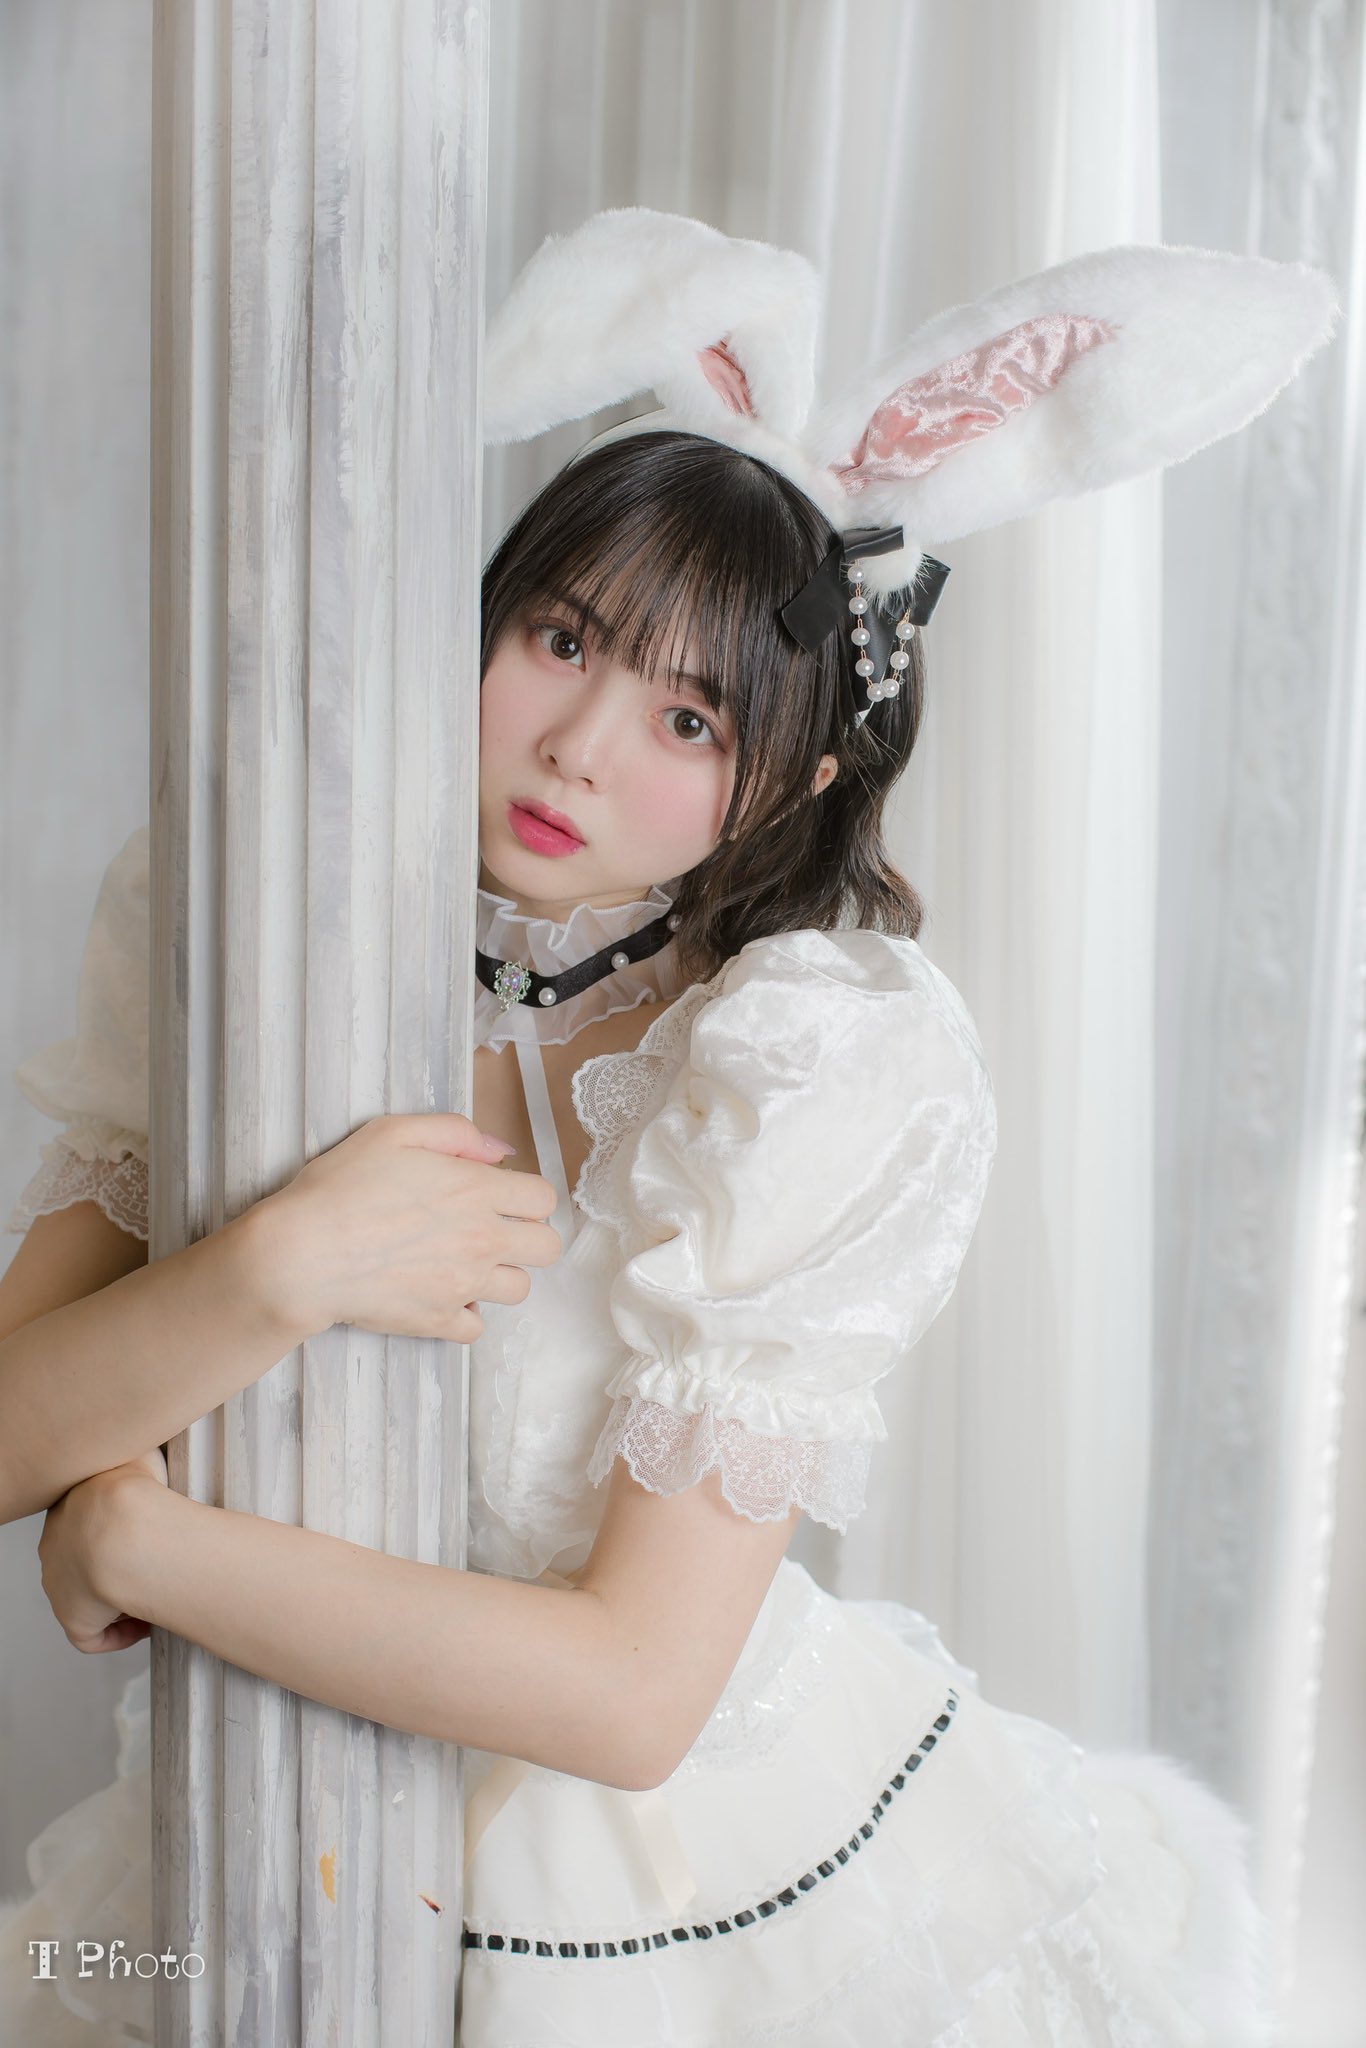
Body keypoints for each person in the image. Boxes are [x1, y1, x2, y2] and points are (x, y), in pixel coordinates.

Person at [0, 211, 1337, 2045]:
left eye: (689, 716)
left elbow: (632, 1697)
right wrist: (277, 1268)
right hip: (261, 1822)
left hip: (662, 1895)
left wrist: (146, 1550)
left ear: (793, 778)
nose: (580, 744)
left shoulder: (802, 1066)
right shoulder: (249, 932)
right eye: (561, 638)